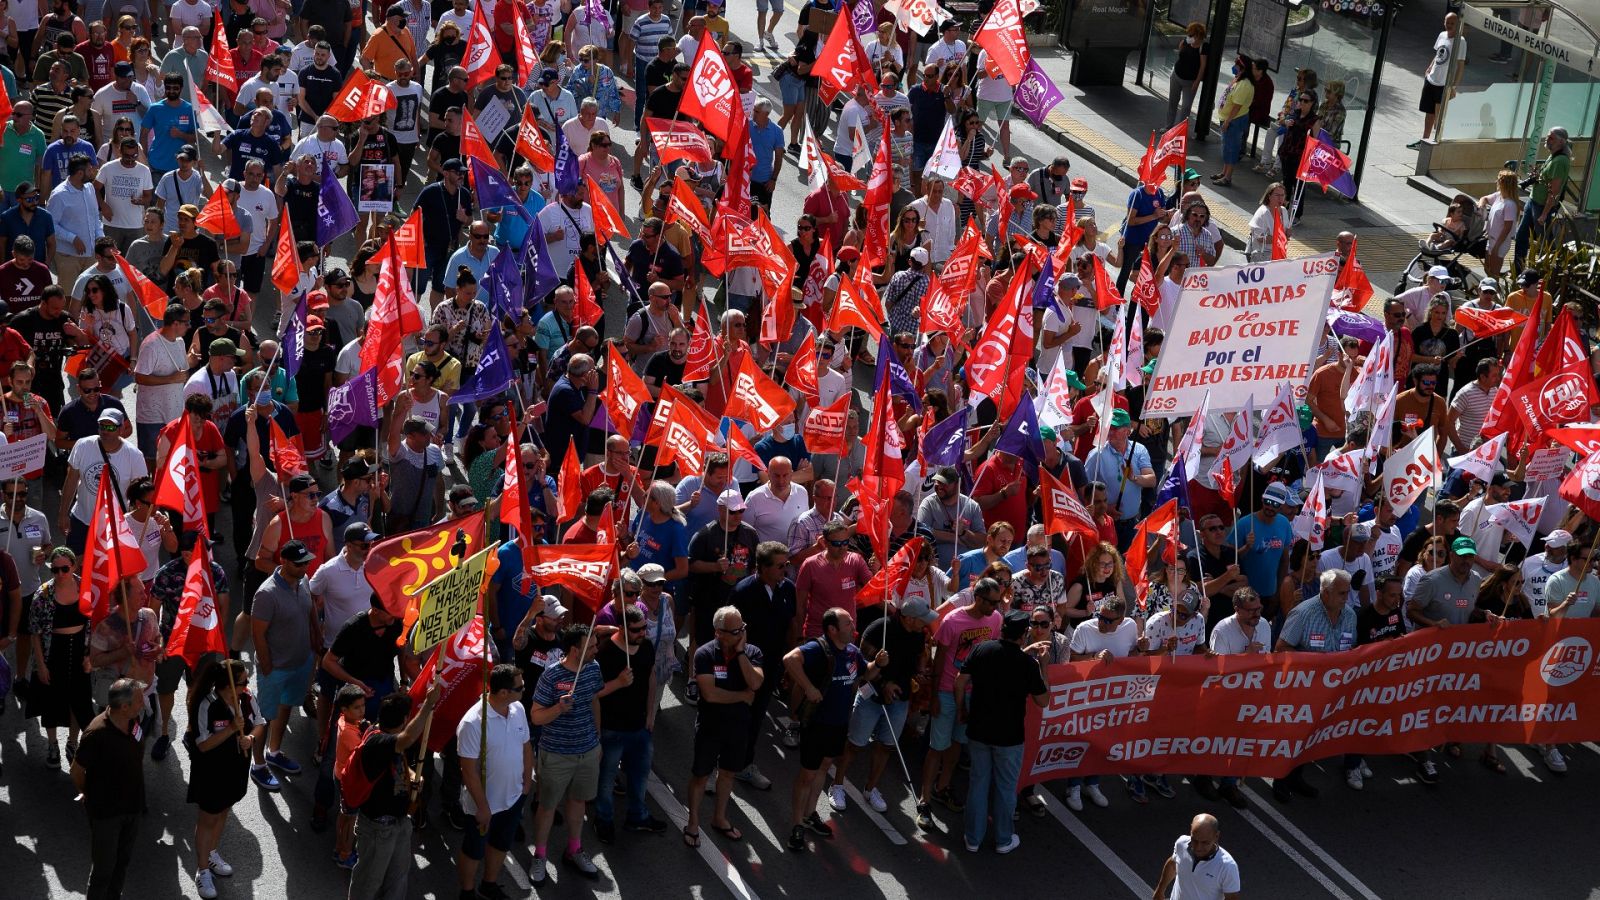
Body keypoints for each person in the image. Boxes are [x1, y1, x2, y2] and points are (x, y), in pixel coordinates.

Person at [783, 606, 882, 851]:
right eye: (848, 623)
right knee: (807, 774)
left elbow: (865, 674)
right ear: (832, 629)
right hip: (817, 724)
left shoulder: (852, 652)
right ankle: (797, 824)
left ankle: (810, 814)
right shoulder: (818, 649)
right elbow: (789, 659)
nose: (853, 627)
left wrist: (878, 664)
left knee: (824, 768)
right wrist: (808, 687)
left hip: (839, 724)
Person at [956, 609, 1048, 853]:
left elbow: (960, 681)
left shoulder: (981, 649)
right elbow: (1043, 700)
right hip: (1009, 736)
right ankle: (1003, 839)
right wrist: (1044, 667)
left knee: (978, 784)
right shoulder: (1028, 664)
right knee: (1006, 788)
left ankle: (973, 839)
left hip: (978, 730)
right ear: (1024, 635)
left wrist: (960, 710)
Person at [916, 576, 1002, 829]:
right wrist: (933, 696)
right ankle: (925, 799)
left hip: (973, 694)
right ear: (977, 598)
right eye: (990, 603)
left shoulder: (995, 620)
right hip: (945, 691)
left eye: (997, 603)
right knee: (937, 747)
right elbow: (939, 658)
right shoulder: (953, 621)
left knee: (957, 743)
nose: (994, 608)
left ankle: (943, 787)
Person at [527, 623, 610, 884]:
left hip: (587, 751)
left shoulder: (593, 668)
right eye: (592, 646)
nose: (597, 649)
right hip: (556, 754)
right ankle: (540, 856)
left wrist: (596, 740)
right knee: (547, 807)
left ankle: (574, 850)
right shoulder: (551, 676)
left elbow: (594, 701)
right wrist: (557, 710)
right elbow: (536, 717)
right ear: (576, 649)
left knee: (578, 803)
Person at [346, 682, 441, 900]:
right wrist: (428, 705)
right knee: (368, 884)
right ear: (405, 720)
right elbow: (406, 740)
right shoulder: (379, 741)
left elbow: (395, 761)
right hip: (379, 829)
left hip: (399, 822)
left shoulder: (384, 736)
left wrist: (409, 774)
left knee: (398, 879)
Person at [1273, 568, 1359, 801]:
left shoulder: (1350, 615)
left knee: (1310, 736)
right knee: (1293, 735)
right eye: (1341, 593)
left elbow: (1352, 650)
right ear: (1326, 593)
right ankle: (1280, 779)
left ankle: (1296, 776)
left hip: (1332, 691)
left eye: (1347, 593)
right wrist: (1315, 663)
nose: (1346, 598)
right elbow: (1281, 649)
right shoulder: (1302, 614)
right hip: (1302, 688)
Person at [685, 605, 763, 848]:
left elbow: (756, 683)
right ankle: (693, 822)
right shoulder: (704, 654)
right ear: (719, 632)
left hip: (738, 726)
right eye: (735, 630)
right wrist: (741, 696)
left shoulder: (751, 652)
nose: (741, 633)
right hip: (711, 726)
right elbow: (710, 695)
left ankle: (719, 818)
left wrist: (740, 655)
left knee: (728, 773)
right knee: (701, 776)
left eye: (743, 628)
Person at [185, 659, 263, 900]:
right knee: (208, 818)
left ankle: (211, 853)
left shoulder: (247, 699)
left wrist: (249, 737)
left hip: (236, 769)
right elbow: (203, 744)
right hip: (211, 772)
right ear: (227, 685)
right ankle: (202, 870)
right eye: (243, 682)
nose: (246, 686)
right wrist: (230, 729)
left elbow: (260, 723)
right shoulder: (206, 705)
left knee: (223, 811)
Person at [248, 539, 320, 792]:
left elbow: (310, 610)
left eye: (306, 562)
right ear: (284, 562)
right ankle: (258, 766)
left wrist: (317, 638)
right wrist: (267, 667)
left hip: (300, 662)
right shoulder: (266, 594)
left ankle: (274, 752)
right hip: (275, 668)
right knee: (264, 717)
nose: (305, 567)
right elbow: (257, 634)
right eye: (300, 563)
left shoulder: (303, 580)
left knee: (286, 707)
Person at [455, 663, 532, 900]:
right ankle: (467, 892)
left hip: (513, 797)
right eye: (520, 687)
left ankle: (489, 884)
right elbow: (468, 770)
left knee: (500, 844)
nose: (524, 690)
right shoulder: (473, 723)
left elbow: (526, 747)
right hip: (483, 805)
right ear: (503, 693)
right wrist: (483, 807)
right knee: (474, 850)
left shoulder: (517, 708)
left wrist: (526, 783)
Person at [593, 604, 667, 843]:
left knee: (640, 776)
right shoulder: (604, 652)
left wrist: (650, 714)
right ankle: (603, 820)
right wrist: (617, 683)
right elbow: (592, 693)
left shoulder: (645, 647)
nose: (642, 633)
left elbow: (652, 677)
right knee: (606, 781)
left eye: (644, 628)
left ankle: (638, 815)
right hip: (612, 728)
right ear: (623, 628)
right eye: (636, 629)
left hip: (640, 727)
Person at [73, 677, 148, 900]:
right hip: (107, 813)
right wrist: (88, 792)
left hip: (132, 806)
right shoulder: (96, 733)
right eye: (138, 701)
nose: (143, 704)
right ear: (124, 707)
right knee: (103, 871)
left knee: (122, 863)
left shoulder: (133, 721)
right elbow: (76, 771)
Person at [1152, 813, 1242, 900]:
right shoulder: (1181, 843)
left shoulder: (1227, 866)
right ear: (1191, 830)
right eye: (1194, 840)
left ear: (1216, 836)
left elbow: (1231, 898)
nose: (1198, 848)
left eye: (1205, 843)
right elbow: (1173, 865)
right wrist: (1160, 890)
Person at [1413, 12, 1466, 148]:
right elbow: (1437, 54)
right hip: (1431, 79)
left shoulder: (1461, 42)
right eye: (1447, 22)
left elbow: (1460, 65)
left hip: (1444, 84)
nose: (1449, 25)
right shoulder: (1442, 35)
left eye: (1452, 23)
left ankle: (1436, 143)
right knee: (1429, 113)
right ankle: (1424, 140)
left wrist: (1454, 86)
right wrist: (1429, 68)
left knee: (1439, 117)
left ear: (1458, 24)